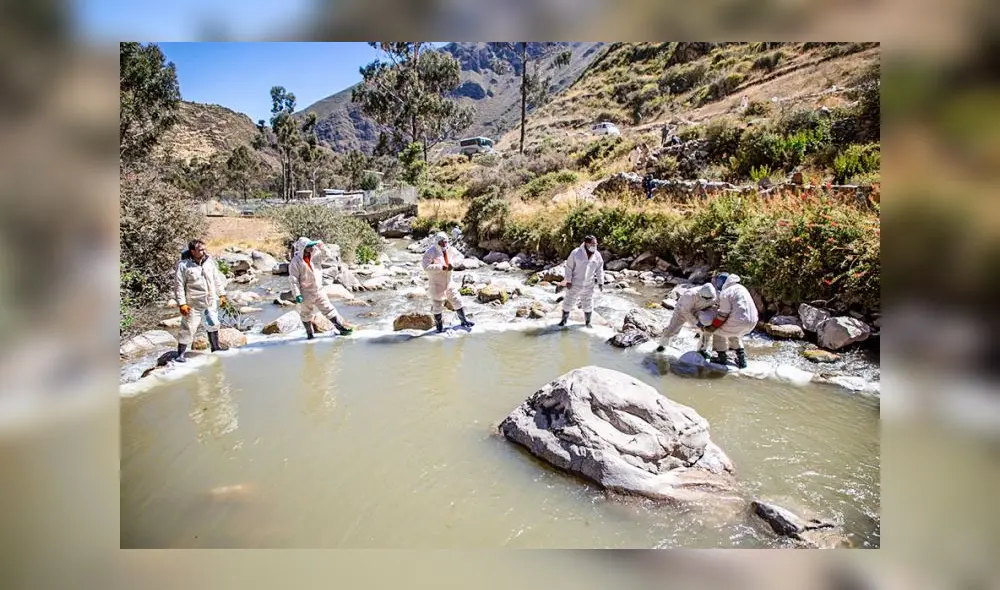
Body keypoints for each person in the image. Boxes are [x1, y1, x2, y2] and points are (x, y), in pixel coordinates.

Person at [174, 239, 228, 362]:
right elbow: (179, 286)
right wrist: (182, 303)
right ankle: (180, 354)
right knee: (188, 327)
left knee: (213, 324)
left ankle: (215, 348)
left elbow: (216, 279)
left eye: (204, 249)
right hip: (193, 303)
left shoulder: (209, 262)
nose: (203, 252)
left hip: (209, 301)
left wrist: (222, 295)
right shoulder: (183, 265)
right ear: (192, 251)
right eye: (200, 250)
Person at [289, 236, 354, 339]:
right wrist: (297, 294)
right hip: (305, 292)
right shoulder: (295, 262)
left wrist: (321, 246)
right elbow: (294, 279)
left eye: (311, 245)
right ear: (302, 248)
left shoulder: (315, 255)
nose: (311, 248)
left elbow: (327, 255)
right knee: (306, 314)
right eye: (308, 246)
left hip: (319, 290)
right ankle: (310, 335)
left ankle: (341, 328)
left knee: (329, 309)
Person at [421, 232, 474, 333]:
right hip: (436, 283)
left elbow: (460, 257)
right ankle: (439, 328)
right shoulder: (430, 252)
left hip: (449, 281)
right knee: (437, 305)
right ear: (437, 242)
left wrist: (453, 264)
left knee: (457, 300)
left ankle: (464, 321)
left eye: (445, 242)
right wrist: (441, 267)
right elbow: (426, 267)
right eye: (442, 242)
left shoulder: (450, 249)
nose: (444, 244)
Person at [703, 272, 758, 368]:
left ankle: (721, 357)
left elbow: (722, 315)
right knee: (732, 331)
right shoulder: (740, 288)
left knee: (718, 330)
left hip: (739, 321)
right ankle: (741, 358)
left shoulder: (726, 292)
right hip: (753, 321)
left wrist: (712, 327)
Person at [655, 283, 717, 359]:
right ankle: (662, 346)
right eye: (705, 298)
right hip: (681, 312)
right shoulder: (690, 295)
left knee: (707, 328)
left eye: (709, 298)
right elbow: (685, 312)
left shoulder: (715, 294)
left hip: (699, 310)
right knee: (672, 330)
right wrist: (696, 323)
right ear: (700, 294)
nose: (707, 300)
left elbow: (720, 305)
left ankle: (701, 351)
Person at [559, 235, 605, 328]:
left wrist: (601, 282)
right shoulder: (576, 253)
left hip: (589, 284)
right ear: (586, 243)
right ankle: (563, 321)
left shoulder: (597, 255)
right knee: (568, 302)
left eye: (596, 244)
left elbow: (599, 269)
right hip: (575, 283)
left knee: (588, 303)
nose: (595, 245)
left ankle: (588, 323)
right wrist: (568, 280)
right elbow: (569, 267)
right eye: (593, 244)